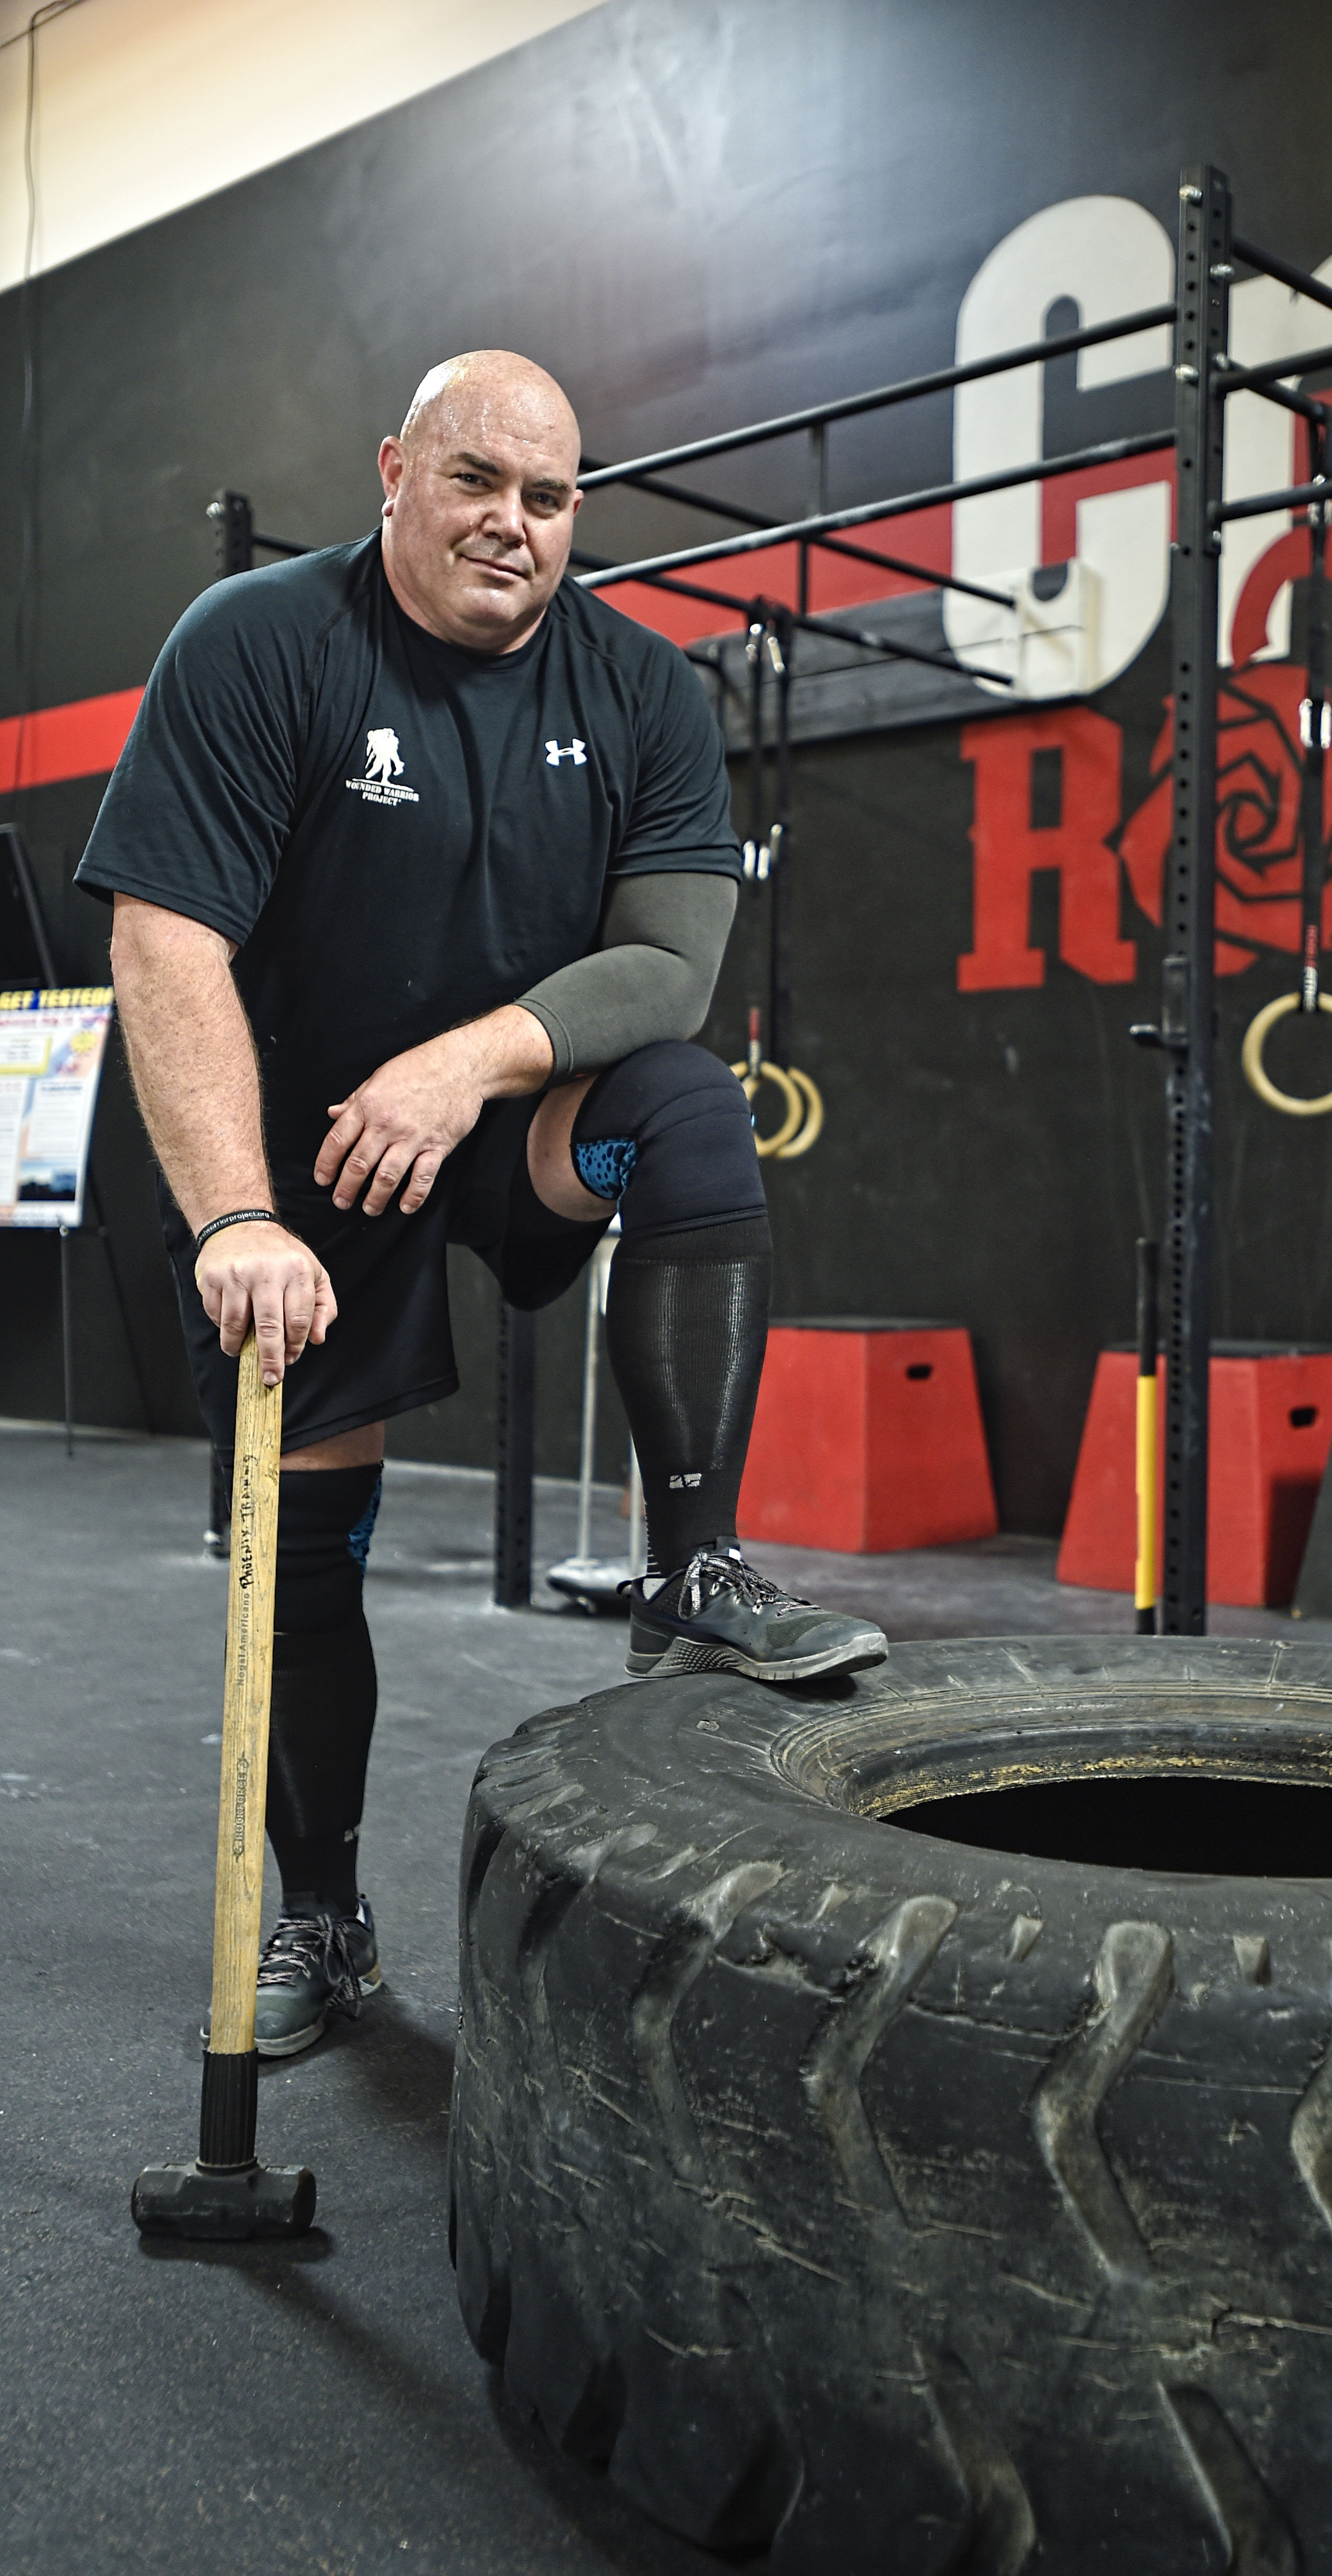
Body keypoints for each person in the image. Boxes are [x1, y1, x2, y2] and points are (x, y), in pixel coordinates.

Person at [77, 350, 885, 2057]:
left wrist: (466, 1065)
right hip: (306, 1161)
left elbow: (668, 967)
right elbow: (165, 945)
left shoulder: (645, 691)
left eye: (550, 496)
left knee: (684, 1114)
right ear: (395, 472)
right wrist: (235, 1217)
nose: (513, 524)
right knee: (306, 1544)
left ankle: (692, 1565)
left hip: (510, 1120)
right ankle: (322, 1909)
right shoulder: (260, 643)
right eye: (476, 482)